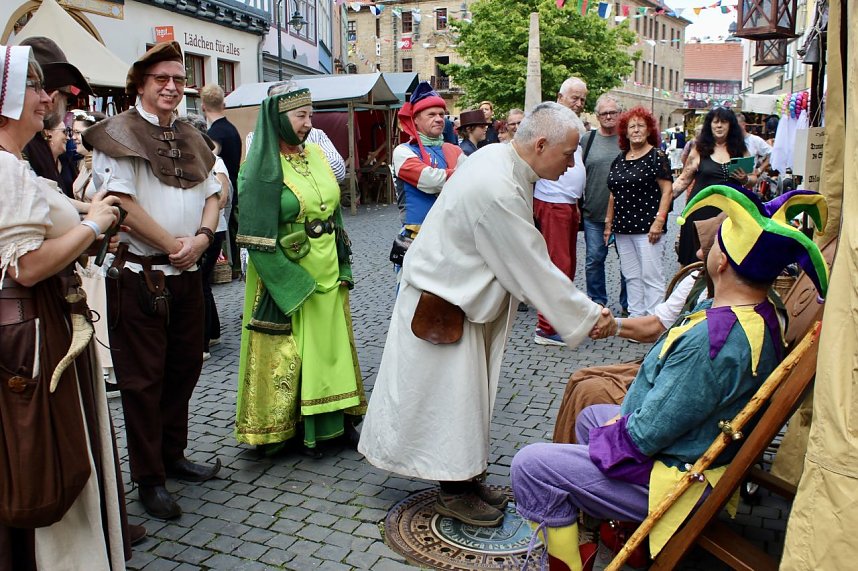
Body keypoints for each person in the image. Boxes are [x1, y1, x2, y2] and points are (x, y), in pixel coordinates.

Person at [510, 184, 829, 571]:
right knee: (590, 416)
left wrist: (610, 439)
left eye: (714, 245)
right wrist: (612, 425)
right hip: (694, 448)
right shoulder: (762, 310)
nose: (705, 251)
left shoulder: (714, 343)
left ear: (723, 262)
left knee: (530, 465)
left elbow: (647, 434)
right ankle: (617, 530)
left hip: (678, 478)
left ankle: (566, 563)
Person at [358, 102, 616, 528]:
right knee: (448, 401)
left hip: (458, 299)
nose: (572, 163)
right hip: (442, 304)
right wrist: (592, 318)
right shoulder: (496, 185)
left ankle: (465, 476)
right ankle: (454, 489)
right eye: (568, 154)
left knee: (465, 398)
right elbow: (531, 265)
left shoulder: (501, 161)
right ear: (540, 144)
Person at [0, 44, 131, 570]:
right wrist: (94, 225)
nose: (46, 98)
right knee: (45, 460)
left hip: (45, 325)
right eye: (34, 88)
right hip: (33, 333)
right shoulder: (5, 169)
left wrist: (86, 214)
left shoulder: (14, 167)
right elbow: (25, 266)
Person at [84, 41, 222, 520]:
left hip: (185, 275)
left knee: (185, 368)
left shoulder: (191, 135)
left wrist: (202, 240)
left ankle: (172, 455)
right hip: (140, 278)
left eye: (179, 79)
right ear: (140, 84)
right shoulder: (117, 134)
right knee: (143, 383)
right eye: (161, 79)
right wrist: (173, 244)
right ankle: (148, 479)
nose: (171, 87)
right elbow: (122, 206)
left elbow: (215, 191)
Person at [235, 83, 365, 459]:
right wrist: (289, 284)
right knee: (296, 351)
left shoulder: (317, 155)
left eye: (310, 115)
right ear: (279, 118)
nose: (309, 123)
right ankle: (294, 429)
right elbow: (255, 237)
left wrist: (342, 262)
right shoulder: (258, 169)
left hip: (326, 266)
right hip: (291, 272)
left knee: (332, 348)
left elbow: (334, 212)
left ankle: (336, 421)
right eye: (301, 116)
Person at [553, 215, 724, 445]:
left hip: (673, 384)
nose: (698, 254)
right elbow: (656, 325)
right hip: (663, 369)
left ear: (724, 259)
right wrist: (614, 325)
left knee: (588, 390)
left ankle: (579, 470)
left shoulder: (731, 315)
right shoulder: (698, 279)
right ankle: (569, 465)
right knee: (579, 378)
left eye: (707, 248)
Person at [532, 77, 588, 345]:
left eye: (582, 100)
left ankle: (558, 320)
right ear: (560, 96)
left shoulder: (569, 123)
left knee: (567, 265)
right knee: (557, 264)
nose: (578, 104)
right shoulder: (550, 120)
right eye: (574, 98)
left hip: (566, 201)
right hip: (553, 201)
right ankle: (546, 326)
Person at [604, 107, 673, 317]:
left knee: (651, 276)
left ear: (649, 130)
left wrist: (659, 221)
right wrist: (609, 224)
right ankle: (636, 317)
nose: (636, 130)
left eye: (640, 126)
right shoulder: (620, 159)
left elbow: (667, 190)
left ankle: (654, 321)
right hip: (623, 229)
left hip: (648, 228)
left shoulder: (657, 156)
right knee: (631, 276)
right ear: (625, 132)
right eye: (631, 126)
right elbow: (613, 193)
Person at [391, 82, 464, 268]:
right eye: (431, 114)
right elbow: (430, 180)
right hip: (417, 238)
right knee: (414, 295)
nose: (439, 119)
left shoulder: (453, 149)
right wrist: (462, 175)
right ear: (415, 119)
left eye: (441, 114)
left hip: (451, 237)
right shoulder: (403, 151)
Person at [179, 114, 231, 360]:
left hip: (211, 230)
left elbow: (222, 196)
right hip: (195, 230)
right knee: (202, 283)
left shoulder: (215, 162)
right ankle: (211, 332)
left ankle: (203, 343)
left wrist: (202, 208)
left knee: (200, 283)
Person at [674, 107, 750, 266]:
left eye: (723, 122)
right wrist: (663, 200)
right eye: (715, 122)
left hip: (729, 216)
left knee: (726, 264)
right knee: (694, 265)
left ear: (731, 125)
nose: (719, 126)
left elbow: (753, 178)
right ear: (710, 125)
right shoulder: (699, 149)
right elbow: (683, 180)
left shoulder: (740, 150)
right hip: (699, 212)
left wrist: (745, 179)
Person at [19, 37, 93, 199]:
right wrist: (93, 222)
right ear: (53, 97)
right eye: (67, 100)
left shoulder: (34, 141)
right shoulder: (20, 145)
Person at [579, 93, 626, 313]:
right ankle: (597, 303)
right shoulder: (587, 140)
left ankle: (629, 305)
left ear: (619, 114)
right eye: (604, 113)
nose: (608, 116)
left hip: (626, 214)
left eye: (612, 112)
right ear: (597, 116)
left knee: (627, 264)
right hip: (594, 213)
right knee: (594, 260)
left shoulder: (627, 140)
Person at [200, 84, 242, 274]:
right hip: (235, 184)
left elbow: (210, 163)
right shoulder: (231, 129)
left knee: (228, 231)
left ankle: (230, 266)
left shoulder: (215, 134)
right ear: (223, 104)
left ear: (203, 106)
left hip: (225, 190)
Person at [736, 112, 772, 183]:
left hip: (749, 181)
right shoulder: (728, 140)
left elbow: (772, 154)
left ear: (743, 125)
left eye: (736, 126)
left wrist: (760, 170)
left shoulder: (755, 140)